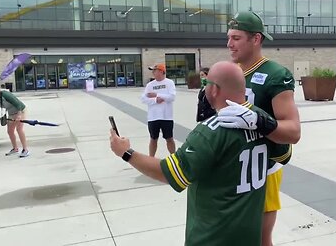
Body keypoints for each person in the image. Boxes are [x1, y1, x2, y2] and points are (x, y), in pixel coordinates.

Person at [110, 61, 291, 246]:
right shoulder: (261, 120)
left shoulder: (210, 132)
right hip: (250, 236)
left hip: (212, 237)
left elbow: (170, 174)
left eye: (206, 84)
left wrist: (126, 152)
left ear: (214, 90)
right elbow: (284, 154)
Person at [218, 11, 301, 246]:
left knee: (260, 239)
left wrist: (258, 120)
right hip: (236, 165)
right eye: (229, 38)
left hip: (263, 166)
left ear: (256, 39)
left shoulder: (275, 74)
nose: (229, 44)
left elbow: (293, 131)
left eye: (236, 38)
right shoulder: (230, 73)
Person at [141, 63, 176, 157]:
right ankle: (151, 158)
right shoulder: (150, 85)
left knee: (169, 138)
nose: (153, 72)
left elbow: (172, 97)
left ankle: (174, 157)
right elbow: (144, 99)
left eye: (155, 70)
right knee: (153, 138)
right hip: (153, 117)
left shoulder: (169, 83)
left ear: (161, 71)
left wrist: (157, 95)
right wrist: (156, 100)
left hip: (167, 116)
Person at [0, 84, 30, 157]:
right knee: (10, 131)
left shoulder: (5, 94)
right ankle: (15, 148)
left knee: (19, 129)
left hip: (21, 110)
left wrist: (19, 115)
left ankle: (25, 149)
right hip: (11, 113)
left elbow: (18, 104)